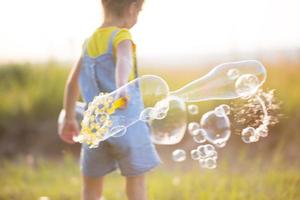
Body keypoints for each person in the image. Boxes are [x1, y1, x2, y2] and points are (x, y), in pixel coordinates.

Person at [58, 0, 160, 199]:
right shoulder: (121, 35)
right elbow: (124, 59)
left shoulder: (88, 42)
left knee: (91, 187)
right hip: (127, 124)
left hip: (94, 126)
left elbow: (72, 83)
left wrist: (69, 117)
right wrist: (121, 86)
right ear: (132, 8)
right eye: (139, 11)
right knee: (136, 182)